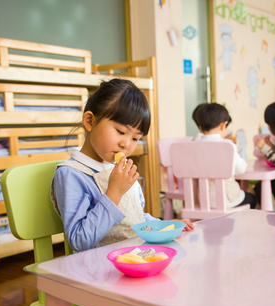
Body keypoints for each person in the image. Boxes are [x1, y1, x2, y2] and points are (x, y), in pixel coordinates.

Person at [52, 79, 193, 252]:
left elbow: (135, 219)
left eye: (135, 138)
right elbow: (79, 240)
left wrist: (163, 225)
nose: (126, 144)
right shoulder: (72, 174)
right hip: (99, 269)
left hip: (134, 256)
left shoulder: (118, 167)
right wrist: (113, 194)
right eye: (120, 132)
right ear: (89, 121)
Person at [193, 103, 257, 209]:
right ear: (223, 125)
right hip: (227, 199)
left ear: (200, 127)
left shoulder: (194, 145)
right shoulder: (227, 145)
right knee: (252, 199)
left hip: (203, 200)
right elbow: (241, 169)